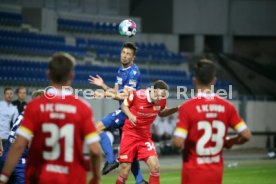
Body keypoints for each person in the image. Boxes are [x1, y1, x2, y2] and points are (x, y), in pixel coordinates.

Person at [0, 53, 102, 184]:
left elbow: (19, 145)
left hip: (41, 176)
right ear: (72, 76)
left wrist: (3, 176)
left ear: (48, 75)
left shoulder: (34, 106)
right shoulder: (83, 107)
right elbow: (95, 150)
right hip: (71, 178)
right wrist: (96, 177)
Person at [172, 59, 251, 184]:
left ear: (194, 80)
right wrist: (229, 142)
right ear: (214, 81)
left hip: (193, 173)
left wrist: (179, 146)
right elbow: (246, 135)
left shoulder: (187, 107)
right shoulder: (227, 106)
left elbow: (177, 143)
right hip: (215, 174)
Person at [89, 42, 147, 183]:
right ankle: (139, 180)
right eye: (123, 52)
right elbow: (115, 92)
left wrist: (103, 94)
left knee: (96, 128)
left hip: (129, 112)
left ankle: (110, 160)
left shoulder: (134, 72)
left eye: (128, 54)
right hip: (125, 112)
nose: (125, 56)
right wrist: (103, 85)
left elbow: (124, 96)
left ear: (133, 57)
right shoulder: (120, 70)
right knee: (129, 152)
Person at [116, 80, 179, 184]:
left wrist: (176, 109)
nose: (160, 99)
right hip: (129, 135)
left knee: (155, 167)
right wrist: (130, 115)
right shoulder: (137, 95)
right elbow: (124, 105)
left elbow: (162, 113)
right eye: (159, 95)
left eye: (163, 96)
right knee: (124, 172)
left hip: (144, 137)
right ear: (154, 90)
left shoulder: (162, 100)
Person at [0, 89, 45, 184]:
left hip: (6, 157)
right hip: (19, 161)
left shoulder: (24, 113)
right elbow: (30, 145)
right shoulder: (36, 116)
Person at [0, 88, 19, 157]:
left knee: (4, 159)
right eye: (7, 94)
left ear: (13, 95)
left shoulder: (14, 108)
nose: (9, 95)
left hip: (7, 137)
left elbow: (16, 124)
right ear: (4, 95)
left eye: (11, 94)